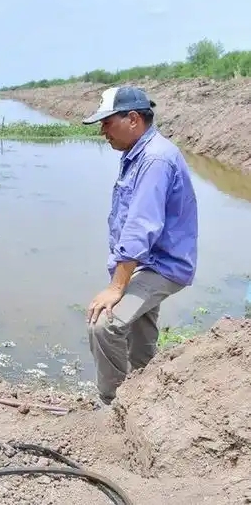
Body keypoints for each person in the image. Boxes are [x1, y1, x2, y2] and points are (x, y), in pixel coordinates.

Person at [82, 86, 198, 408]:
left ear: (133, 119)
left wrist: (117, 286)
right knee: (139, 333)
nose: (103, 131)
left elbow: (140, 226)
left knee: (104, 324)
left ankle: (112, 406)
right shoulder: (138, 152)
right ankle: (146, 398)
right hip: (147, 261)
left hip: (162, 265)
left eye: (107, 122)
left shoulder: (155, 159)